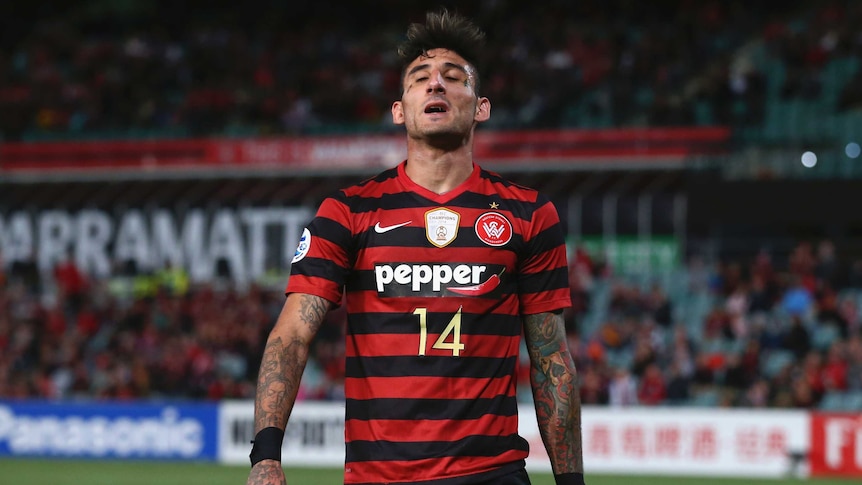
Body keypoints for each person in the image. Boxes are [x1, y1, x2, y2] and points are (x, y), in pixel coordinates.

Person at [247, 8, 585, 485]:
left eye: (453, 77)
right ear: (399, 110)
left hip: (492, 474)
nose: (436, 85)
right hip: (378, 476)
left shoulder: (528, 215)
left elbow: (551, 358)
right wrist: (266, 455)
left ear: (481, 106)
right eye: (420, 78)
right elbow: (291, 335)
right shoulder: (347, 212)